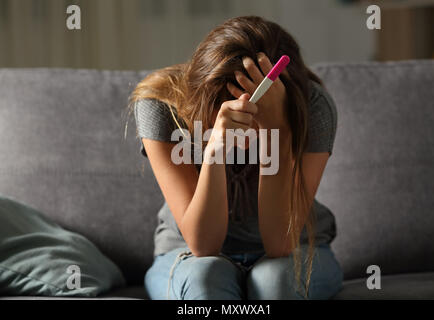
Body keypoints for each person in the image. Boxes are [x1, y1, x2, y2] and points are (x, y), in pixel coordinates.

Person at [127, 15, 342, 300]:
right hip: (187, 252)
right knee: (206, 280)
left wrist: (275, 130)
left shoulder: (312, 107)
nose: (244, 132)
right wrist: (214, 149)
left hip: (293, 250)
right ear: (199, 96)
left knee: (273, 284)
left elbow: (279, 244)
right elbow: (203, 245)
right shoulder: (162, 105)